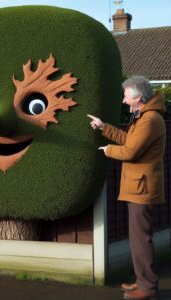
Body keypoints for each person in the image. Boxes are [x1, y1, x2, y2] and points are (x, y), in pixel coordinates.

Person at [88, 75, 165, 300]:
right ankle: (142, 282)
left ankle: (148, 287)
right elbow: (128, 141)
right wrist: (104, 128)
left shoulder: (150, 120)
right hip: (139, 187)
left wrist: (107, 150)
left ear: (138, 97)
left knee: (141, 239)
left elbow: (130, 151)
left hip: (142, 189)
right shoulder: (144, 117)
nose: (123, 100)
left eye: (126, 95)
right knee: (138, 238)